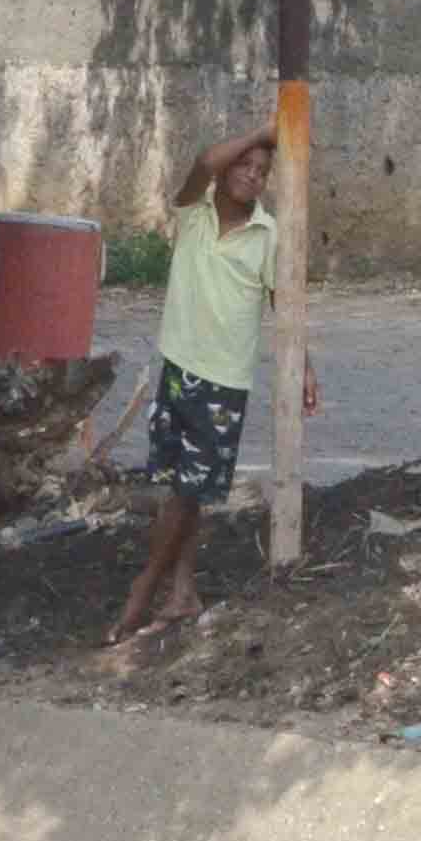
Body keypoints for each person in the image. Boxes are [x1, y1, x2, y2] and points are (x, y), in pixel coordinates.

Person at [101, 118, 317, 644]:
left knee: (184, 492)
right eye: (243, 165)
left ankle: (143, 588)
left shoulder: (267, 235)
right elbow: (201, 164)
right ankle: (182, 591)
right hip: (178, 367)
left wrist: (306, 364)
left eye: (262, 171)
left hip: (223, 383)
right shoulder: (192, 214)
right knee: (183, 486)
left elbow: (282, 304)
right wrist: (265, 131)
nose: (251, 175)